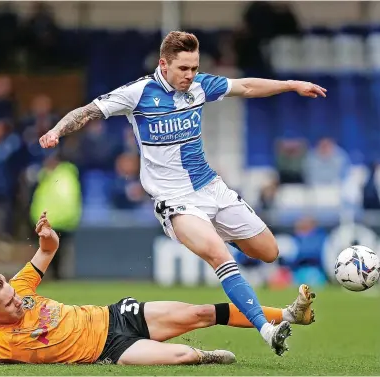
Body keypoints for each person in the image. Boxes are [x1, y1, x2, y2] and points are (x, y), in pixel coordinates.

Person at [39, 31, 326, 355]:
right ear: (164, 64)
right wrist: (56, 130)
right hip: (175, 201)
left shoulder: (201, 86)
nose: (190, 75)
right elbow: (88, 111)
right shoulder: (139, 92)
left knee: (269, 251)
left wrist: (290, 85)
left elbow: (245, 86)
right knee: (221, 257)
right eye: (183, 69)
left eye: (194, 67)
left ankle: (218, 233)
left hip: (212, 189)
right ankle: (267, 329)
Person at [0, 211, 316, 367]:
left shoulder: (18, 285)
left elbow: (47, 251)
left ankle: (286, 316)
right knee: (185, 357)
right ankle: (205, 356)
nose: (18, 300)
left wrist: (48, 237)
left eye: (14, 295)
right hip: (109, 349)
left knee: (202, 313)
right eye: (10, 304)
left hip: (114, 315)